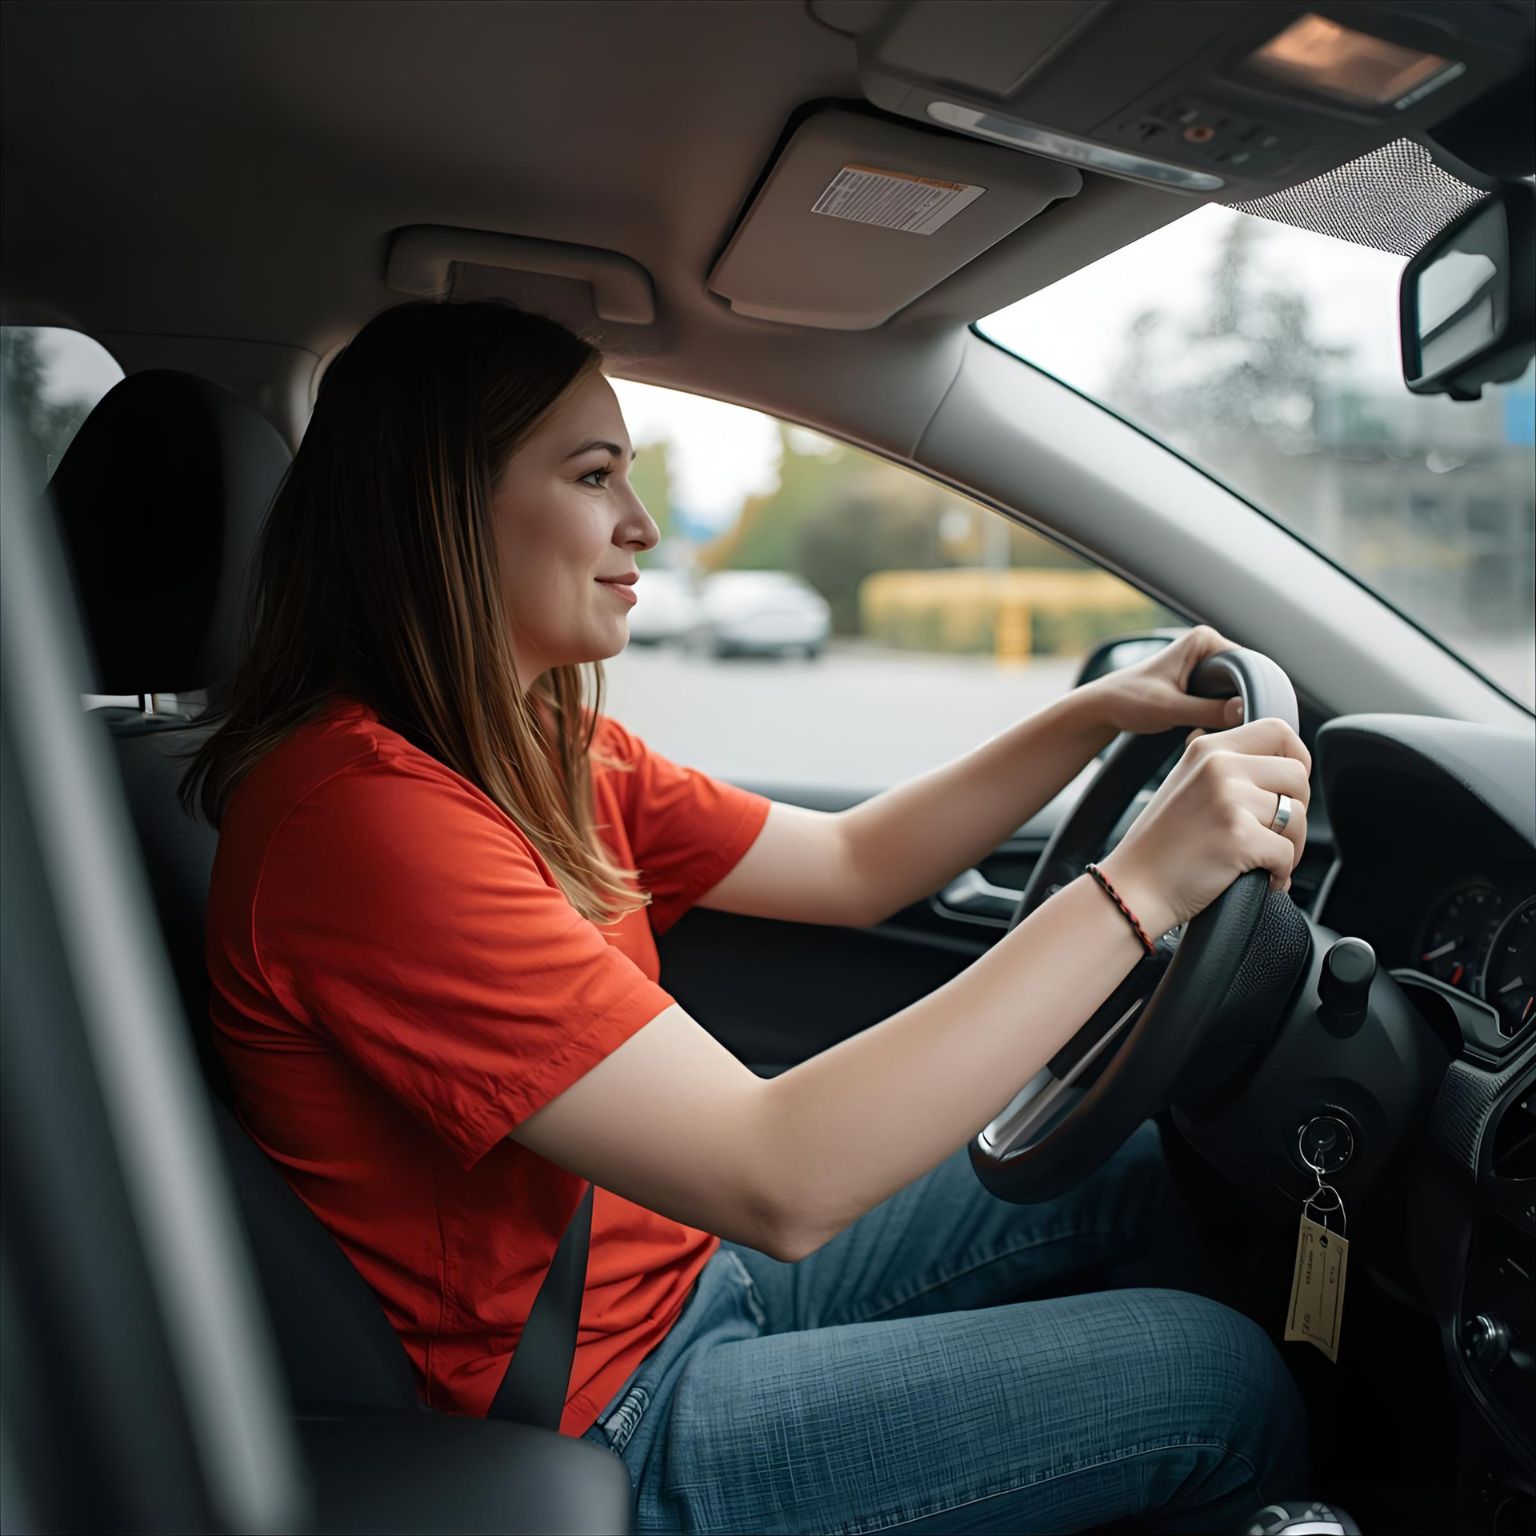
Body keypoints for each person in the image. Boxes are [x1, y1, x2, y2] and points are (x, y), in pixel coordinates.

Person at [186, 299, 1312, 1535]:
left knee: (1133, 1168)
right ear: (444, 508)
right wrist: (1141, 888)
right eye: (592, 474)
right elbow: (779, 1176)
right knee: (1218, 1381)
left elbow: (850, 863)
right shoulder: (361, 824)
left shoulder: (534, 742)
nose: (643, 525)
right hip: (604, 1408)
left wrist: (1098, 712)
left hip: (688, 1275)